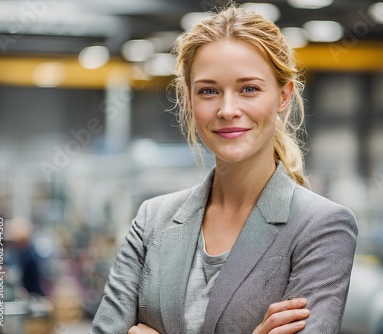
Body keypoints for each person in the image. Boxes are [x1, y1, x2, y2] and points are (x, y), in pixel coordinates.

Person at [91, 5, 358, 334]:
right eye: (208, 91)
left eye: (249, 89)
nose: (228, 109)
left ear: (284, 95)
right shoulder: (152, 220)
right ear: (189, 99)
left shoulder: (322, 227)